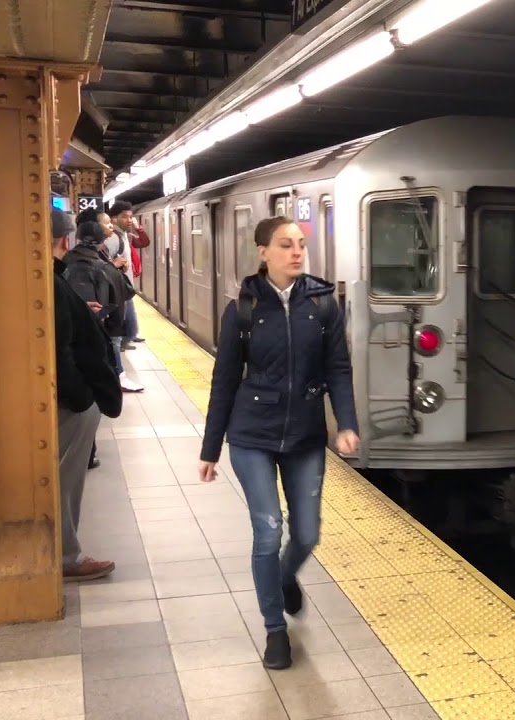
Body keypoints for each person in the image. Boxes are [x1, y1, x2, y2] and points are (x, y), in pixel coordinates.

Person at [198, 216, 360, 670]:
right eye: (285, 244)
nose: (296, 252)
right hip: (252, 435)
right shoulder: (243, 309)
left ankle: (284, 578)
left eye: (301, 244)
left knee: (307, 533)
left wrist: (346, 423)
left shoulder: (322, 305)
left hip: (305, 435)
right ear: (263, 252)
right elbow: (224, 380)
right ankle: (275, 630)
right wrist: (211, 448)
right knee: (268, 530)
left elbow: (338, 368)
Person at [50, 210, 122, 581]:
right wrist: (83, 401)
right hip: (70, 403)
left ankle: (64, 553)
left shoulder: (49, 277)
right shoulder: (50, 280)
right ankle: (66, 556)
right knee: (65, 479)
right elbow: (59, 349)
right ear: (66, 239)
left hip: (66, 399)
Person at [64, 220, 143, 393]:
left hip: (69, 331)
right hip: (101, 326)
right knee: (112, 342)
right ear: (102, 241)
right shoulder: (106, 269)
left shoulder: (64, 262)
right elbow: (125, 294)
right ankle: (119, 376)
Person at [107, 201, 145, 349]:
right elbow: (103, 262)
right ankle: (120, 347)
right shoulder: (113, 238)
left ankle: (125, 341)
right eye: (124, 216)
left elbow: (144, 242)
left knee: (129, 324)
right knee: (122, 326)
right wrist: (114, 264)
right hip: (119, 287)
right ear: (114, 219)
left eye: (130, 217)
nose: (129, 220)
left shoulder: (124, 235)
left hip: (124, 286)